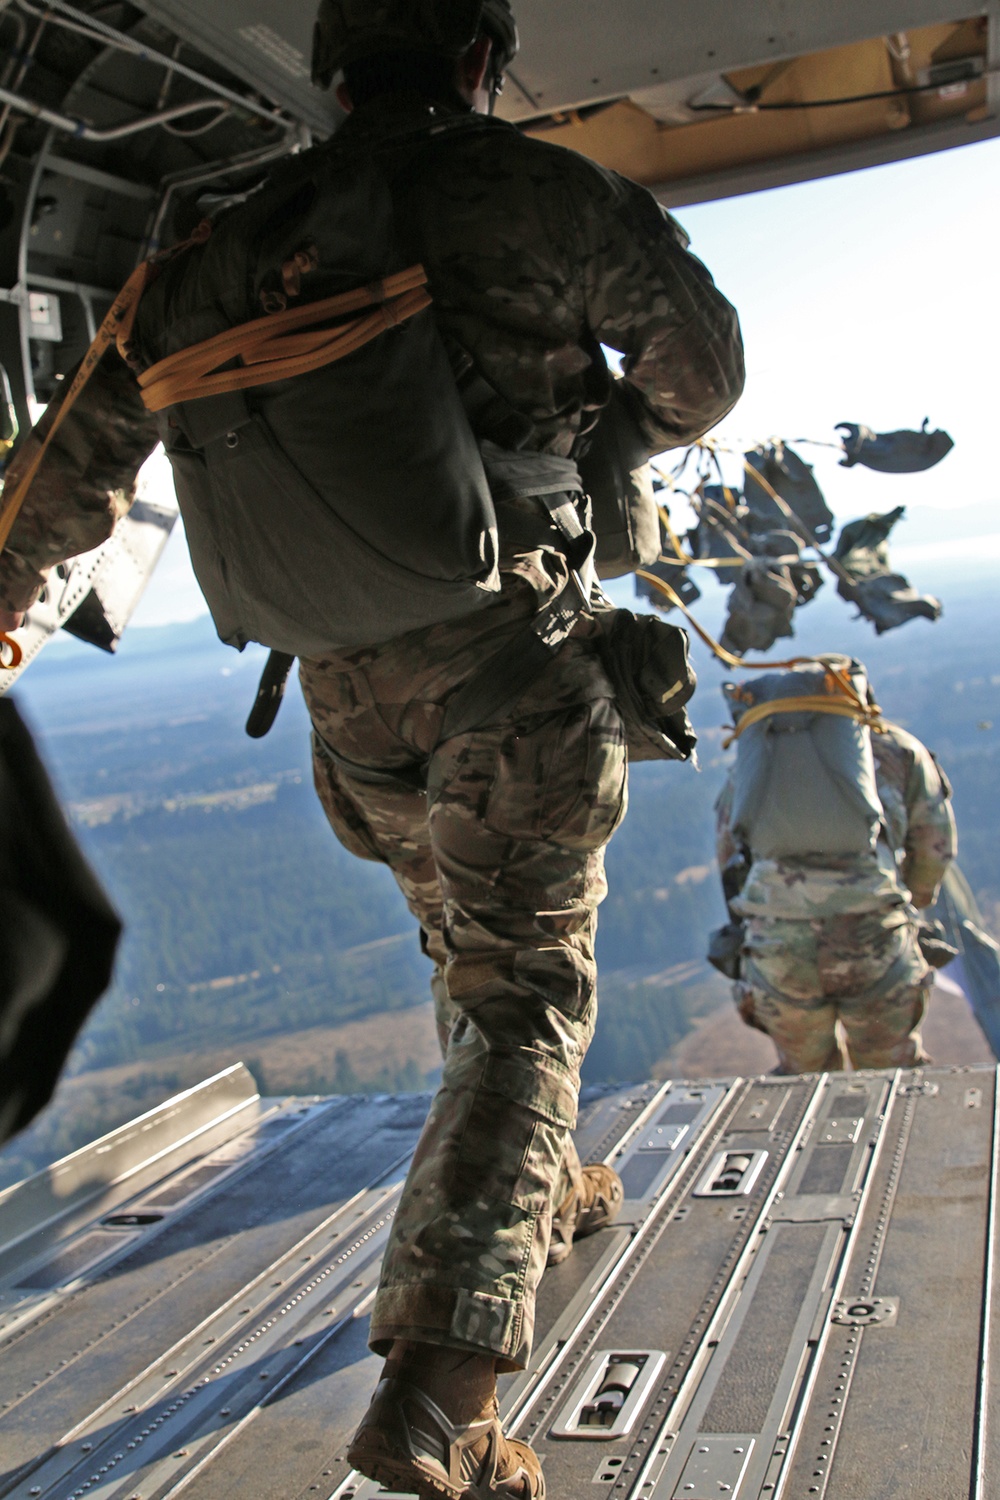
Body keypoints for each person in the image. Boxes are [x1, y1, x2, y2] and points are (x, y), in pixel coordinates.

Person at [0, 2, 744, 1492]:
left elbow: (67, 472)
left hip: (347, 710)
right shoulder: (536, 192)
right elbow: (702, 373)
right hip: (512, 675)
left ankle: (532, 1194)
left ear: (333, 75)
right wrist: (600, 440)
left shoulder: (215, 244)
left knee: (463, 956)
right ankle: (439, 1397)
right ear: (480, 60)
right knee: (528, 994)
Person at [713, 659, 956, 1076]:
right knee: (890, 1081)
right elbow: (934, 849)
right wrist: (913, 904)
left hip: (778, 949)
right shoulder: (899, 750)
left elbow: (728, 850)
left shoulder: (759, 757)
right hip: (874, 939)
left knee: (804, 1084)